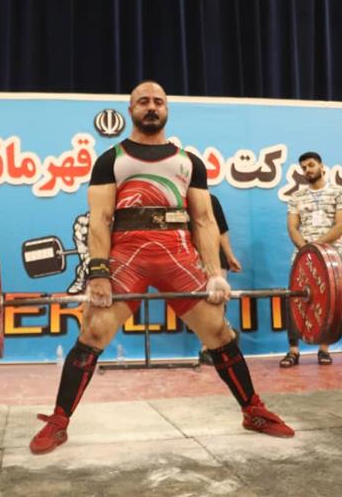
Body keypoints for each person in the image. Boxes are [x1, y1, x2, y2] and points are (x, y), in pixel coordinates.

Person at [29, 80, 294, 455]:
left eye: (158, 101)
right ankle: (59, 421)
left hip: (177, 255)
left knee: (218, 332)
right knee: (94, 330)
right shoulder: (111, 159)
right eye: (143, 102)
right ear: (131, 110)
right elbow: (100, 219)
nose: (151, 107)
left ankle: (253, 411)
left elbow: (204, 220)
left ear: (167, 109)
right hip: (128, 256)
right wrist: (98, 272)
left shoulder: (189, 162)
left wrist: (214, 273)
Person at [280, 151, 342, 367]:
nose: (307, 170)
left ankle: (324, 349)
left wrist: (317, 249)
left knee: (331, 302)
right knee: (295, 299)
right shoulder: (296, 197)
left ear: (322, 166)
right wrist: (306, 251)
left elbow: (341, 225)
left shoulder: (340, 192)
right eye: (303, 167)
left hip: (333, 258)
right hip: (303, 258)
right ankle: (293, 351)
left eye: (311, 165)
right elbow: (292, 227)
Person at [198, 193, 242, 365]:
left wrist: (230, 256)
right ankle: (229, 333)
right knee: (199, 306)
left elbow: (222, 231)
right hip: (191, 258)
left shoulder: (211, 199)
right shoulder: (175, 200)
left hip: (216, 258)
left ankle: (207, 348)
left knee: (216, 303)